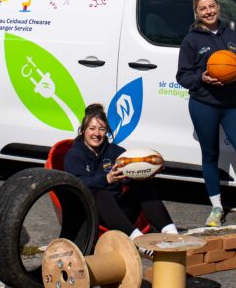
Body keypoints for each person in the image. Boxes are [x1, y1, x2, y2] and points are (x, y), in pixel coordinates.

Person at [176, 0, 236, 233]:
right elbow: (183, 76)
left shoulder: (232, 35)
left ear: (218, 7)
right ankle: (216, 207)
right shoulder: (191, 41)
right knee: (210, 155)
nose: (208, 11)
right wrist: (202, 77)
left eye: (212, 6)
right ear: (196, 13)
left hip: (232, 105)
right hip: (203, 104)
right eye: (203, 8)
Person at [64, 104, 178, 243]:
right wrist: (106, 179)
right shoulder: (74, 155)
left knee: (142, 186)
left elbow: (129, 178)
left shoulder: (116, 152)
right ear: (83, 131)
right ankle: (137, 240)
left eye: (101, 129)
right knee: (98, 192)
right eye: (92, 128)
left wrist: (147, 172)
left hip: (120, 215)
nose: (97, 133)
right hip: (91, 215)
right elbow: (77, 184)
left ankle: (171, 233)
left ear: (107, 131)